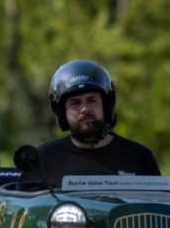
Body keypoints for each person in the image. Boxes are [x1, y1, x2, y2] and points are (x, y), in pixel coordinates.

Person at [28, 59, 160, 187]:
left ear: (106, 105)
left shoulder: (139, 157)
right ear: (62, 112)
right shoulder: (43, 158)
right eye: (75, 103)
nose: (85, 109)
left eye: (92, 100)